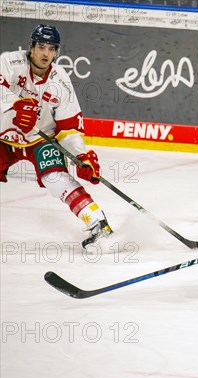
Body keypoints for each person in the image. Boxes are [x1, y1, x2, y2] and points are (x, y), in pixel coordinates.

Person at [0, 24, 113, 248]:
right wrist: (14, 106)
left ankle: (98, 222)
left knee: (55, 178)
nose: (45, 53)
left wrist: (81, 157)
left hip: (39, 140)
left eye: (51, 49)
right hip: (3, 137)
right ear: (31, 47)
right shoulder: (9, 62)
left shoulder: (61, 81)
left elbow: (68, 128)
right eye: (41, 46)